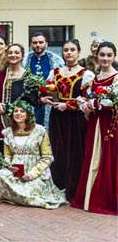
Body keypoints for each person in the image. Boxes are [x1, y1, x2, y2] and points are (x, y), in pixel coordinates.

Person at [40, 39, 94, 200]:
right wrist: (45, 98)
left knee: (75, 152)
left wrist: (67, 105)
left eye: (72, 50)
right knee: (57, 150)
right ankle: (59, 185)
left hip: (75, 119)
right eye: (66, 50)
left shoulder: (86, 74)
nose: (69, 53)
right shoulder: (55, 72)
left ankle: (74, 189)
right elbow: (45, 90)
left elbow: (87, 98)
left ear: (78, 52)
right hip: (57, 116)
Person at [71, 41, 118, 215]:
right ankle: (89, 196)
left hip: (110, 124)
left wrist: (95, 103)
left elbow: (113, 102)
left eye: (108, 55)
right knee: (93, 157)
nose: (105, 58)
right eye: (102, 55)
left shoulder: (117, 78)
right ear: (96, 56)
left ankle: (105, 198)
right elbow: (83, 97)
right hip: (95, 123)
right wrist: (83, 104)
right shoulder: (93, 78)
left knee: (108, 159)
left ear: (113, 56)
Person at [0, 99, 67, 209]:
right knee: (0, 175)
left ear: (28, 115)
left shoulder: (39, 130)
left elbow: (47, 157)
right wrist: (8, 166)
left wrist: (33, 173)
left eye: (22, 111)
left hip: (35, 170)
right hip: (17, 171)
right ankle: (19, 196)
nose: (18, 113)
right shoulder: (8, 132)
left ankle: (20, 196)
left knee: (31, 191)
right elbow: (8, 155)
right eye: (16, 111)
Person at [0, 44, 38, 152]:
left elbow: (30, 100)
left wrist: (7, 107)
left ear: (22, 56)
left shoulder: (29, 78)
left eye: (17, 52)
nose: (13, 55)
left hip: (19, 121)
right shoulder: (0, 76)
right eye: (10, 53)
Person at [23, 32, 65, 127]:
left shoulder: (57, 60)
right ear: (31, 44)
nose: (38, 45)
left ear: (46, 44)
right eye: (35, 42)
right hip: (30, 102)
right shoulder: (24, 60)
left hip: (50, 103)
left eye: (41, 42)